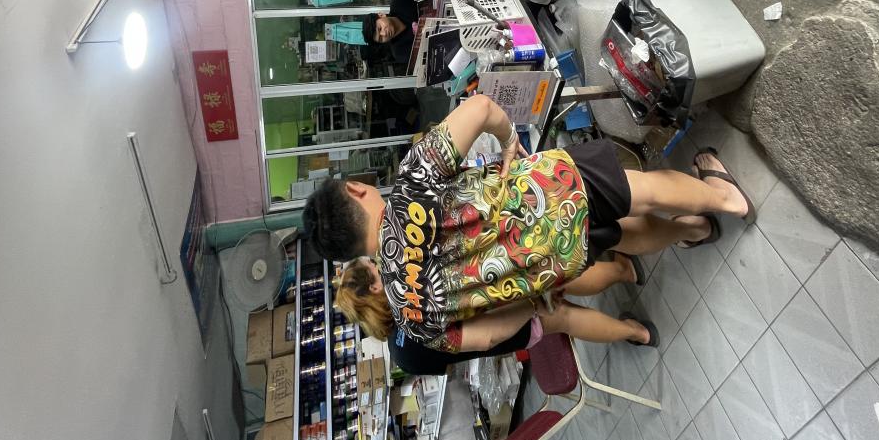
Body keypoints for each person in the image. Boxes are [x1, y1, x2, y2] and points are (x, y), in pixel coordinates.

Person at [302, 93, 755, 353]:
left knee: (624, 235)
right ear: (355, 191)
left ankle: (693, 229)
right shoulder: (411, 180)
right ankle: (726, 199)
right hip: (554, 190)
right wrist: (507, 142)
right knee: (644, 191)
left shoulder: (412, 319)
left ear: (349, 253)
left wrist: (531, 303)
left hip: (553, 263)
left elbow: (489, 336)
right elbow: (481, 107)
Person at [333, 257, 659, 376]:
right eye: (374, 267)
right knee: (562, 278)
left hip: (514, 334)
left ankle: (637, 333)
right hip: (508, 301)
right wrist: (530, 303)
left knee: (566, 318)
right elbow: (483, 334)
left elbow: (452, 361)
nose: (380, 264)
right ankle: (625, 271)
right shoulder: (412, 287)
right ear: (374, 286)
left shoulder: (402, 353)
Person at [360, 0, 431, 70]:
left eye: (380, 28)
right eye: (381, 38)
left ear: (381, 15)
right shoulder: (399, 52)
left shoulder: (397, 3)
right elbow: (428, 58)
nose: (384, 34)